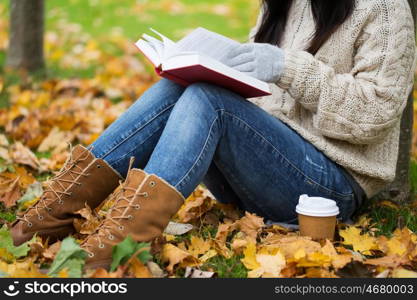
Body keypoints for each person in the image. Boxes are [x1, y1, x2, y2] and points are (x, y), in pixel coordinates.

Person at [10, 0, 417, 269]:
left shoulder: (383, 9)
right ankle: (45, 221)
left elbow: (374, 114)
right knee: (184, 87)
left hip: (327, 190)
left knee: (209, 99)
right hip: (261, 176)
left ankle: (114, 247)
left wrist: (287, 67)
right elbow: (259, 93)